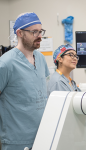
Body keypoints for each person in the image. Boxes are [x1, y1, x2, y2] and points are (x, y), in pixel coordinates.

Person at [0, 12, 49, 150]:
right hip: (16, 141)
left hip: (42, 136)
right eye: (34, 32)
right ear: (20, 33)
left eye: (41, 31)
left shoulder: (41, 59)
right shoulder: (6, 63)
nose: (40, 36)